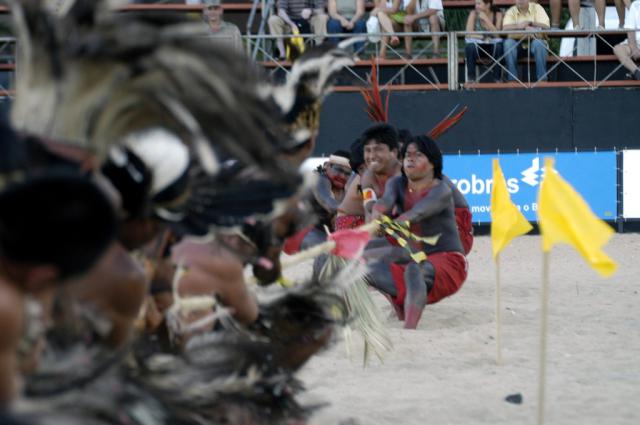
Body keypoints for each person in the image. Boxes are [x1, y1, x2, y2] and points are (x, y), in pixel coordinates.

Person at [366, 135, 467, 329]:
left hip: (447, 260)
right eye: (407, 155)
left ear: (432, 163)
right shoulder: (396, 184)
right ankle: (400, 307)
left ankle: (410, 329)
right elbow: (383, 203)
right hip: (412, 253)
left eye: (418, 155)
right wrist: (376, 215)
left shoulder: (441, 190)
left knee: (415, 270)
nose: (410, 159)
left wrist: (395, 222)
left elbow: (418, 212)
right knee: (358, 259)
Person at [283, 151, 352, 253]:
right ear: (326, 166)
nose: (342, 176)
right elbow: (329, 203)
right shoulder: (319, 179)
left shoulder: (345, 189)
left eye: (347, 173)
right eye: (338, 170)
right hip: (300, 234)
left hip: (317, 235)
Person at [359, 124, 402, 220]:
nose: (372, 156)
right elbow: (369, 204)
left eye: (378, 149)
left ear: (394, 152)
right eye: (367, 150)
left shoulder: (405, 174)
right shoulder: (367, 175)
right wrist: (376, 210)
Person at [502, 0, 550, 82]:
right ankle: (512, 80)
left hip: (534, 44)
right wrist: (521, 27)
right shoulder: (511, 11)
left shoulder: (537, 8)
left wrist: (531, 23)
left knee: (539, 43)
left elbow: (546, 27)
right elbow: (505, 29)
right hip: (518, 45)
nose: (520, 1)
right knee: (508, 43)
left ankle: (542, 80)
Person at [464, 0, 504, 83]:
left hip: (492, 46)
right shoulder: (473, 14)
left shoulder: (498, 14)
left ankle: (497, 79)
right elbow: (468, 34)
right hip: (478, 46)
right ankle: (471, 78)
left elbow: (497, 35)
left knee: (499, 47)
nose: (476, 6)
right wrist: (483, 36)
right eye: (475, 4)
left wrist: (486, 19)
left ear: (488, 5)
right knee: (470, 47)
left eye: (479, 4)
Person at [613, 0, 640, 80]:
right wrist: (634, 47)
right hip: (636, 43)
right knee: (618, 49)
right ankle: (636, 72)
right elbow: (630, 29)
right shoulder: (636, 4)